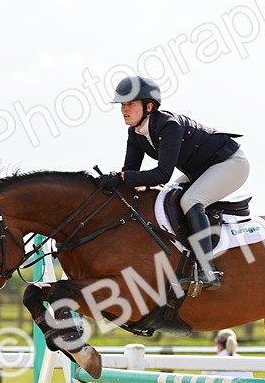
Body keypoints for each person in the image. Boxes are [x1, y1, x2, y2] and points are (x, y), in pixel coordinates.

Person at [96, 75, 249, 291]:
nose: (124, 109)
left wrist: (123, 178)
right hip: (201, 169)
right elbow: (130, 173)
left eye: (130, 104)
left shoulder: (169, 126)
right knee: (166, 197)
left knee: (190, 200)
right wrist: (112, 181)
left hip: (231, 163)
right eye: (122, 104)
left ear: (149, 106)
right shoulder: (135, 133)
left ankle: (208, 269)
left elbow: (162, 174)